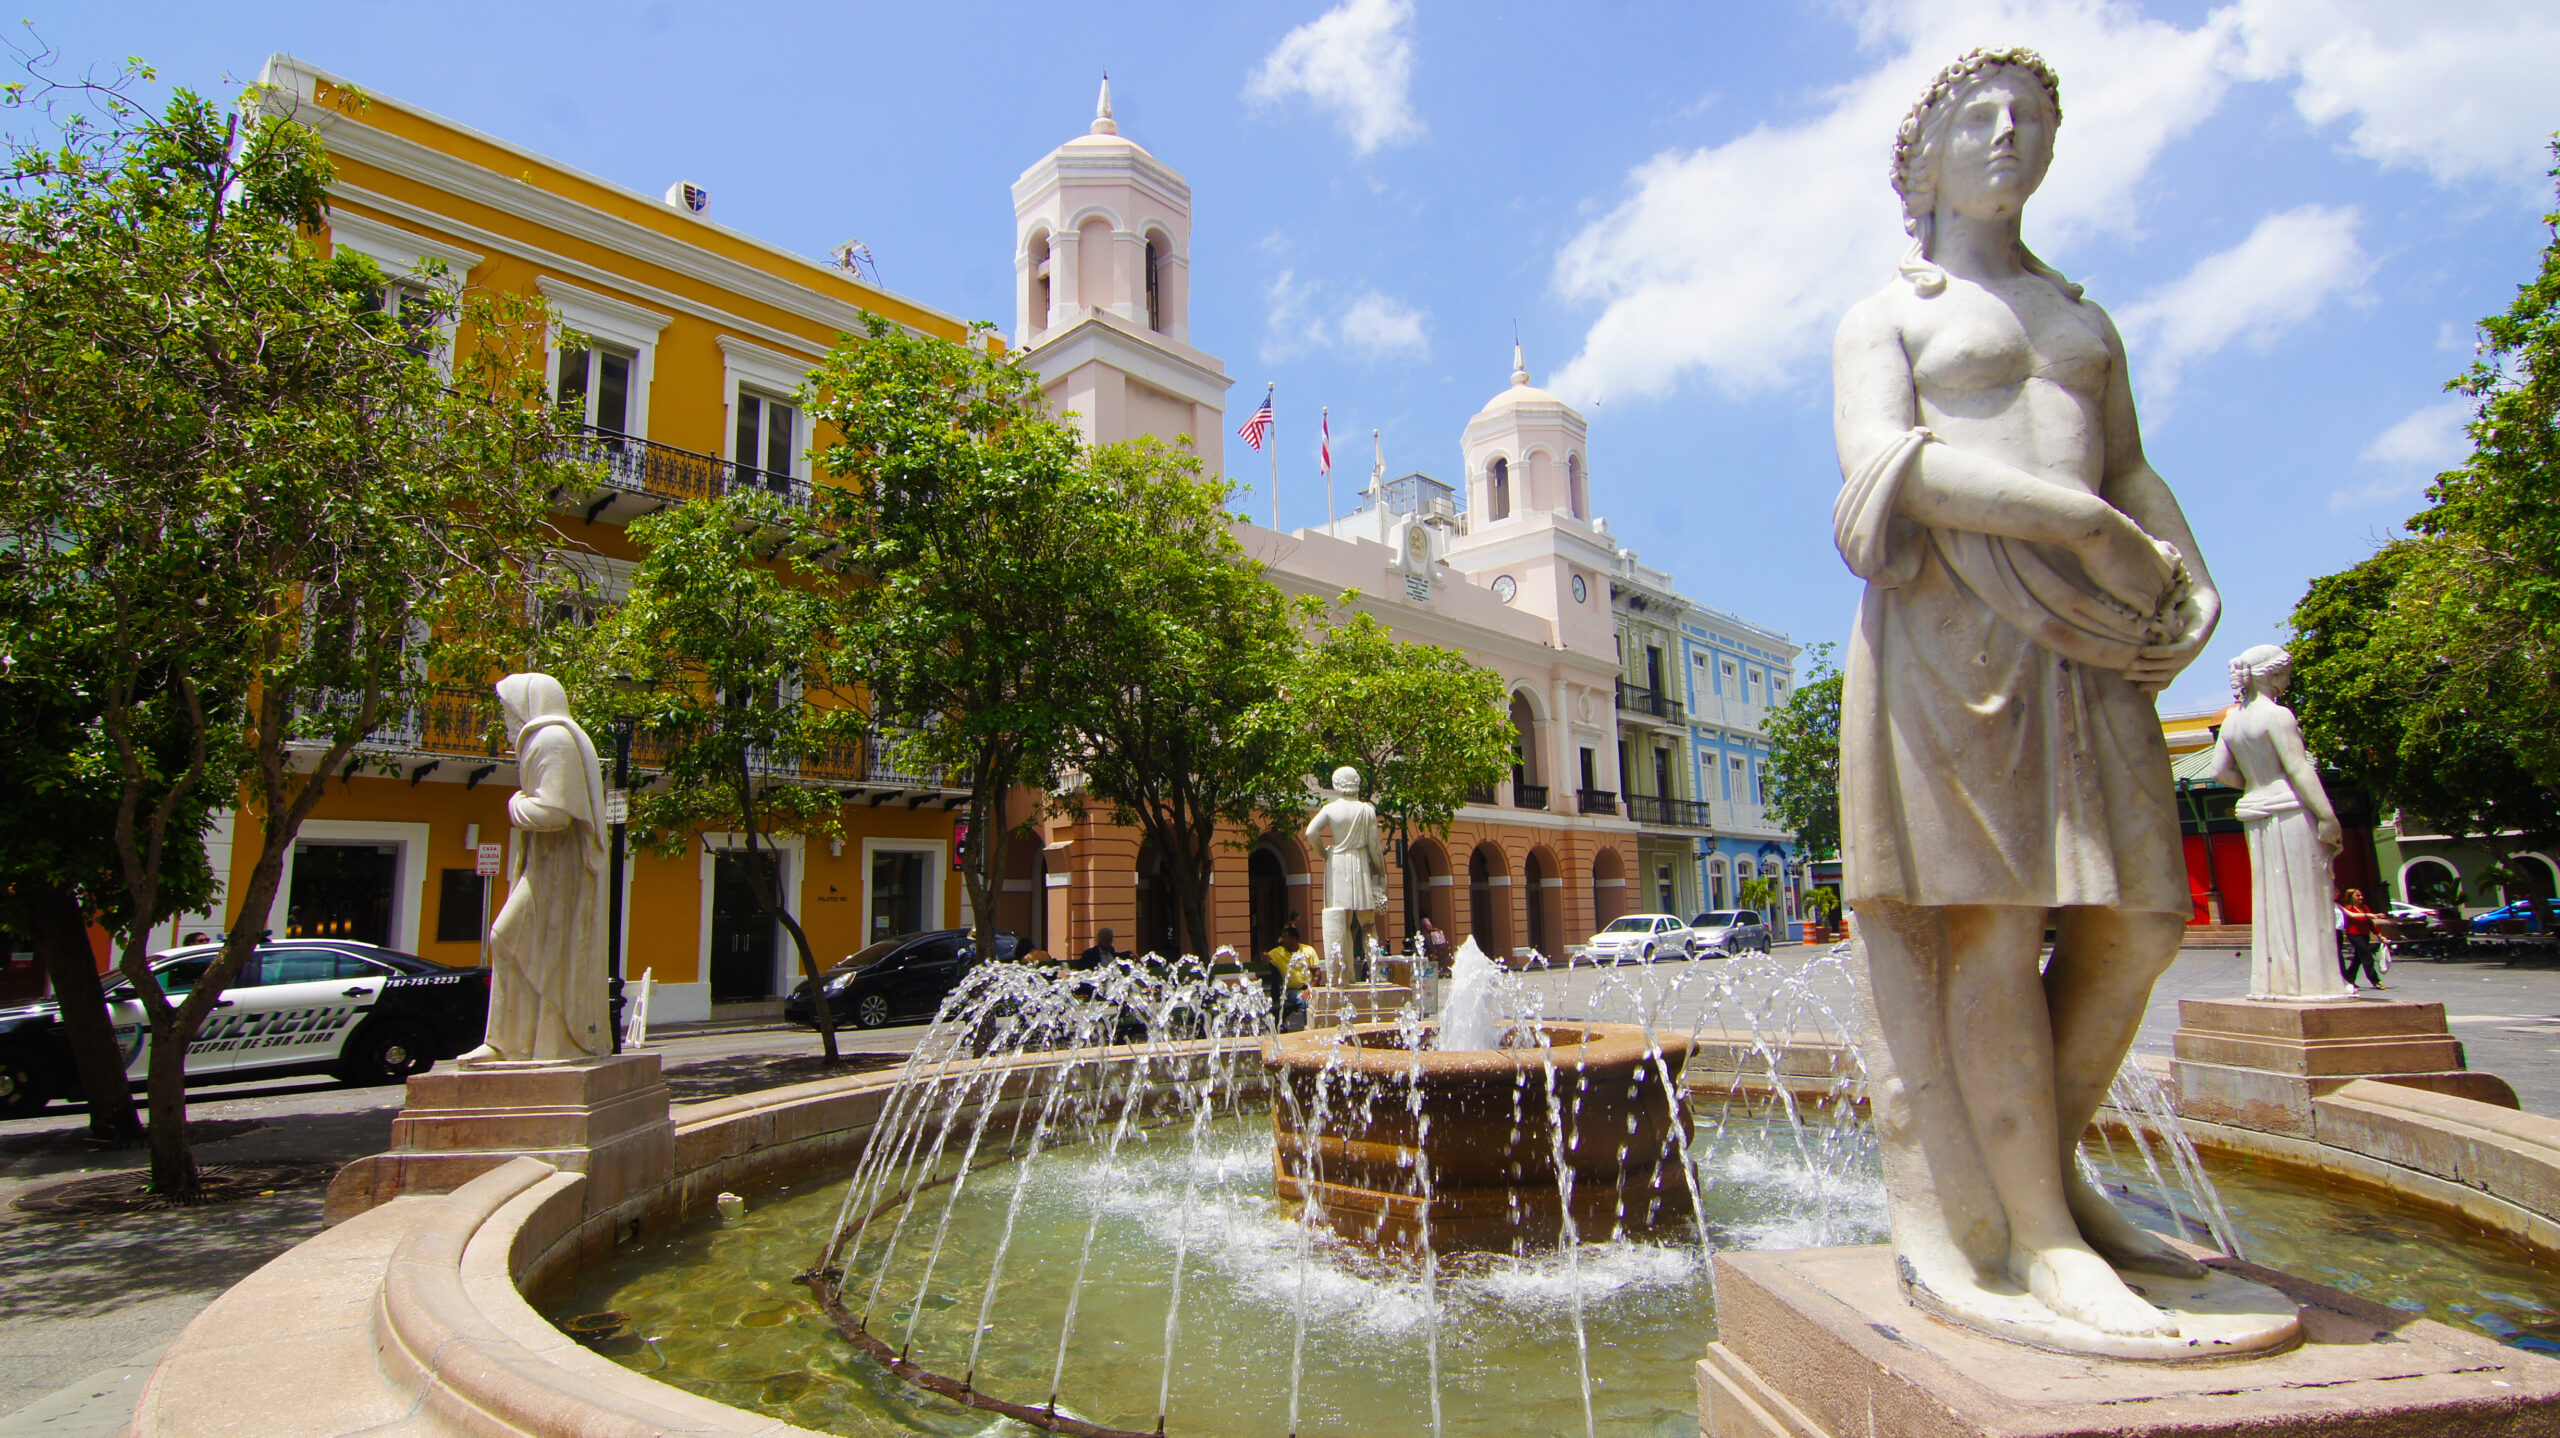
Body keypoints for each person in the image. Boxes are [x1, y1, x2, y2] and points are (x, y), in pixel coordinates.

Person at [1832, 49, 2222, 1341]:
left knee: (2144, 918)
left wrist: (2185, 568)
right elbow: (1880, 464)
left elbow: (2132, 464)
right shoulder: (1887, 314)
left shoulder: (2081, 317)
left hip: (2095, 636)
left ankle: (2044, 1170)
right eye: (1980, 117)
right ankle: (2038, 1236)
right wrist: (2079, 523)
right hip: (1960, 626)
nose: (2010, 133)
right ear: (1923, 157)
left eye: (2034, 118)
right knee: (1992, 926)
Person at [463, 672, 610, 1064]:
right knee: (520, 944)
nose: (506, 719)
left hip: (559, 871)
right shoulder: (550, 739)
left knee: (507, 937)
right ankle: (512, 1043)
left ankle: (528, 1041)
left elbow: (554, 814)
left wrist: (514, 805)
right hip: (549, 866)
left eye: (508, 709)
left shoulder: (552, 740)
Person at [2338, 890, 2383, 988]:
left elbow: (2371, 923)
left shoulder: (2364, 908)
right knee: (2367, 956)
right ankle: (2375, 980)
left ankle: (2349, 978)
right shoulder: (2348, 909)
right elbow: (2354, 916)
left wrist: (2379, 935)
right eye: (2357, 896)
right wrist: (2368, 915)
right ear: (2351, 897)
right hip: (2354, 934)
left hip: (2365, 934)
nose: (2361, 897)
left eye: (2361, 895)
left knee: (2358, 958)